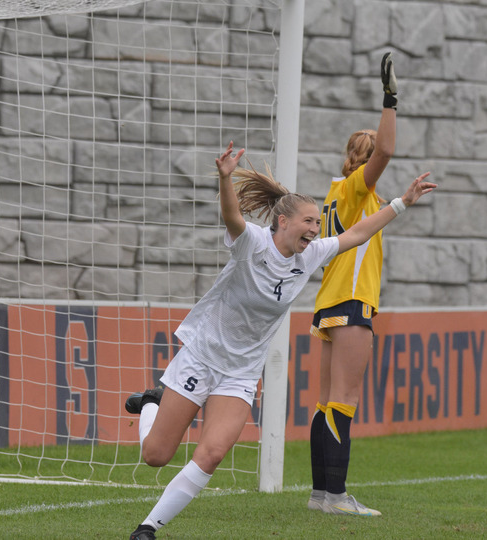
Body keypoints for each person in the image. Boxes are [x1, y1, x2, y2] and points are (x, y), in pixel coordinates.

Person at [126, 140, 435, 540]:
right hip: (202, 357)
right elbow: (232, 216)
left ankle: (148, 528)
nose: (315, 229)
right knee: (155, 455)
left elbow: (358, 232)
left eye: (317, 224)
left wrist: (402, 202)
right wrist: (224, 179)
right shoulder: (251, 243)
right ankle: (153, 402)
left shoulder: (309, 256)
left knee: (213, 453)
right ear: (283, 222)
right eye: (308, 221)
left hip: (240, 373)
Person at [307, 51, 401, 517]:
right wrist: (390, 101)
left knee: (326, 401)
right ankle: (338, 496)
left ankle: (321, 494)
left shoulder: (338, 193)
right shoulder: (354, 189)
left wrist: (405, 201)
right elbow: (385, 151)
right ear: (362, 163)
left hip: (329, 302)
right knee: (345, 400)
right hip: (350, 303)